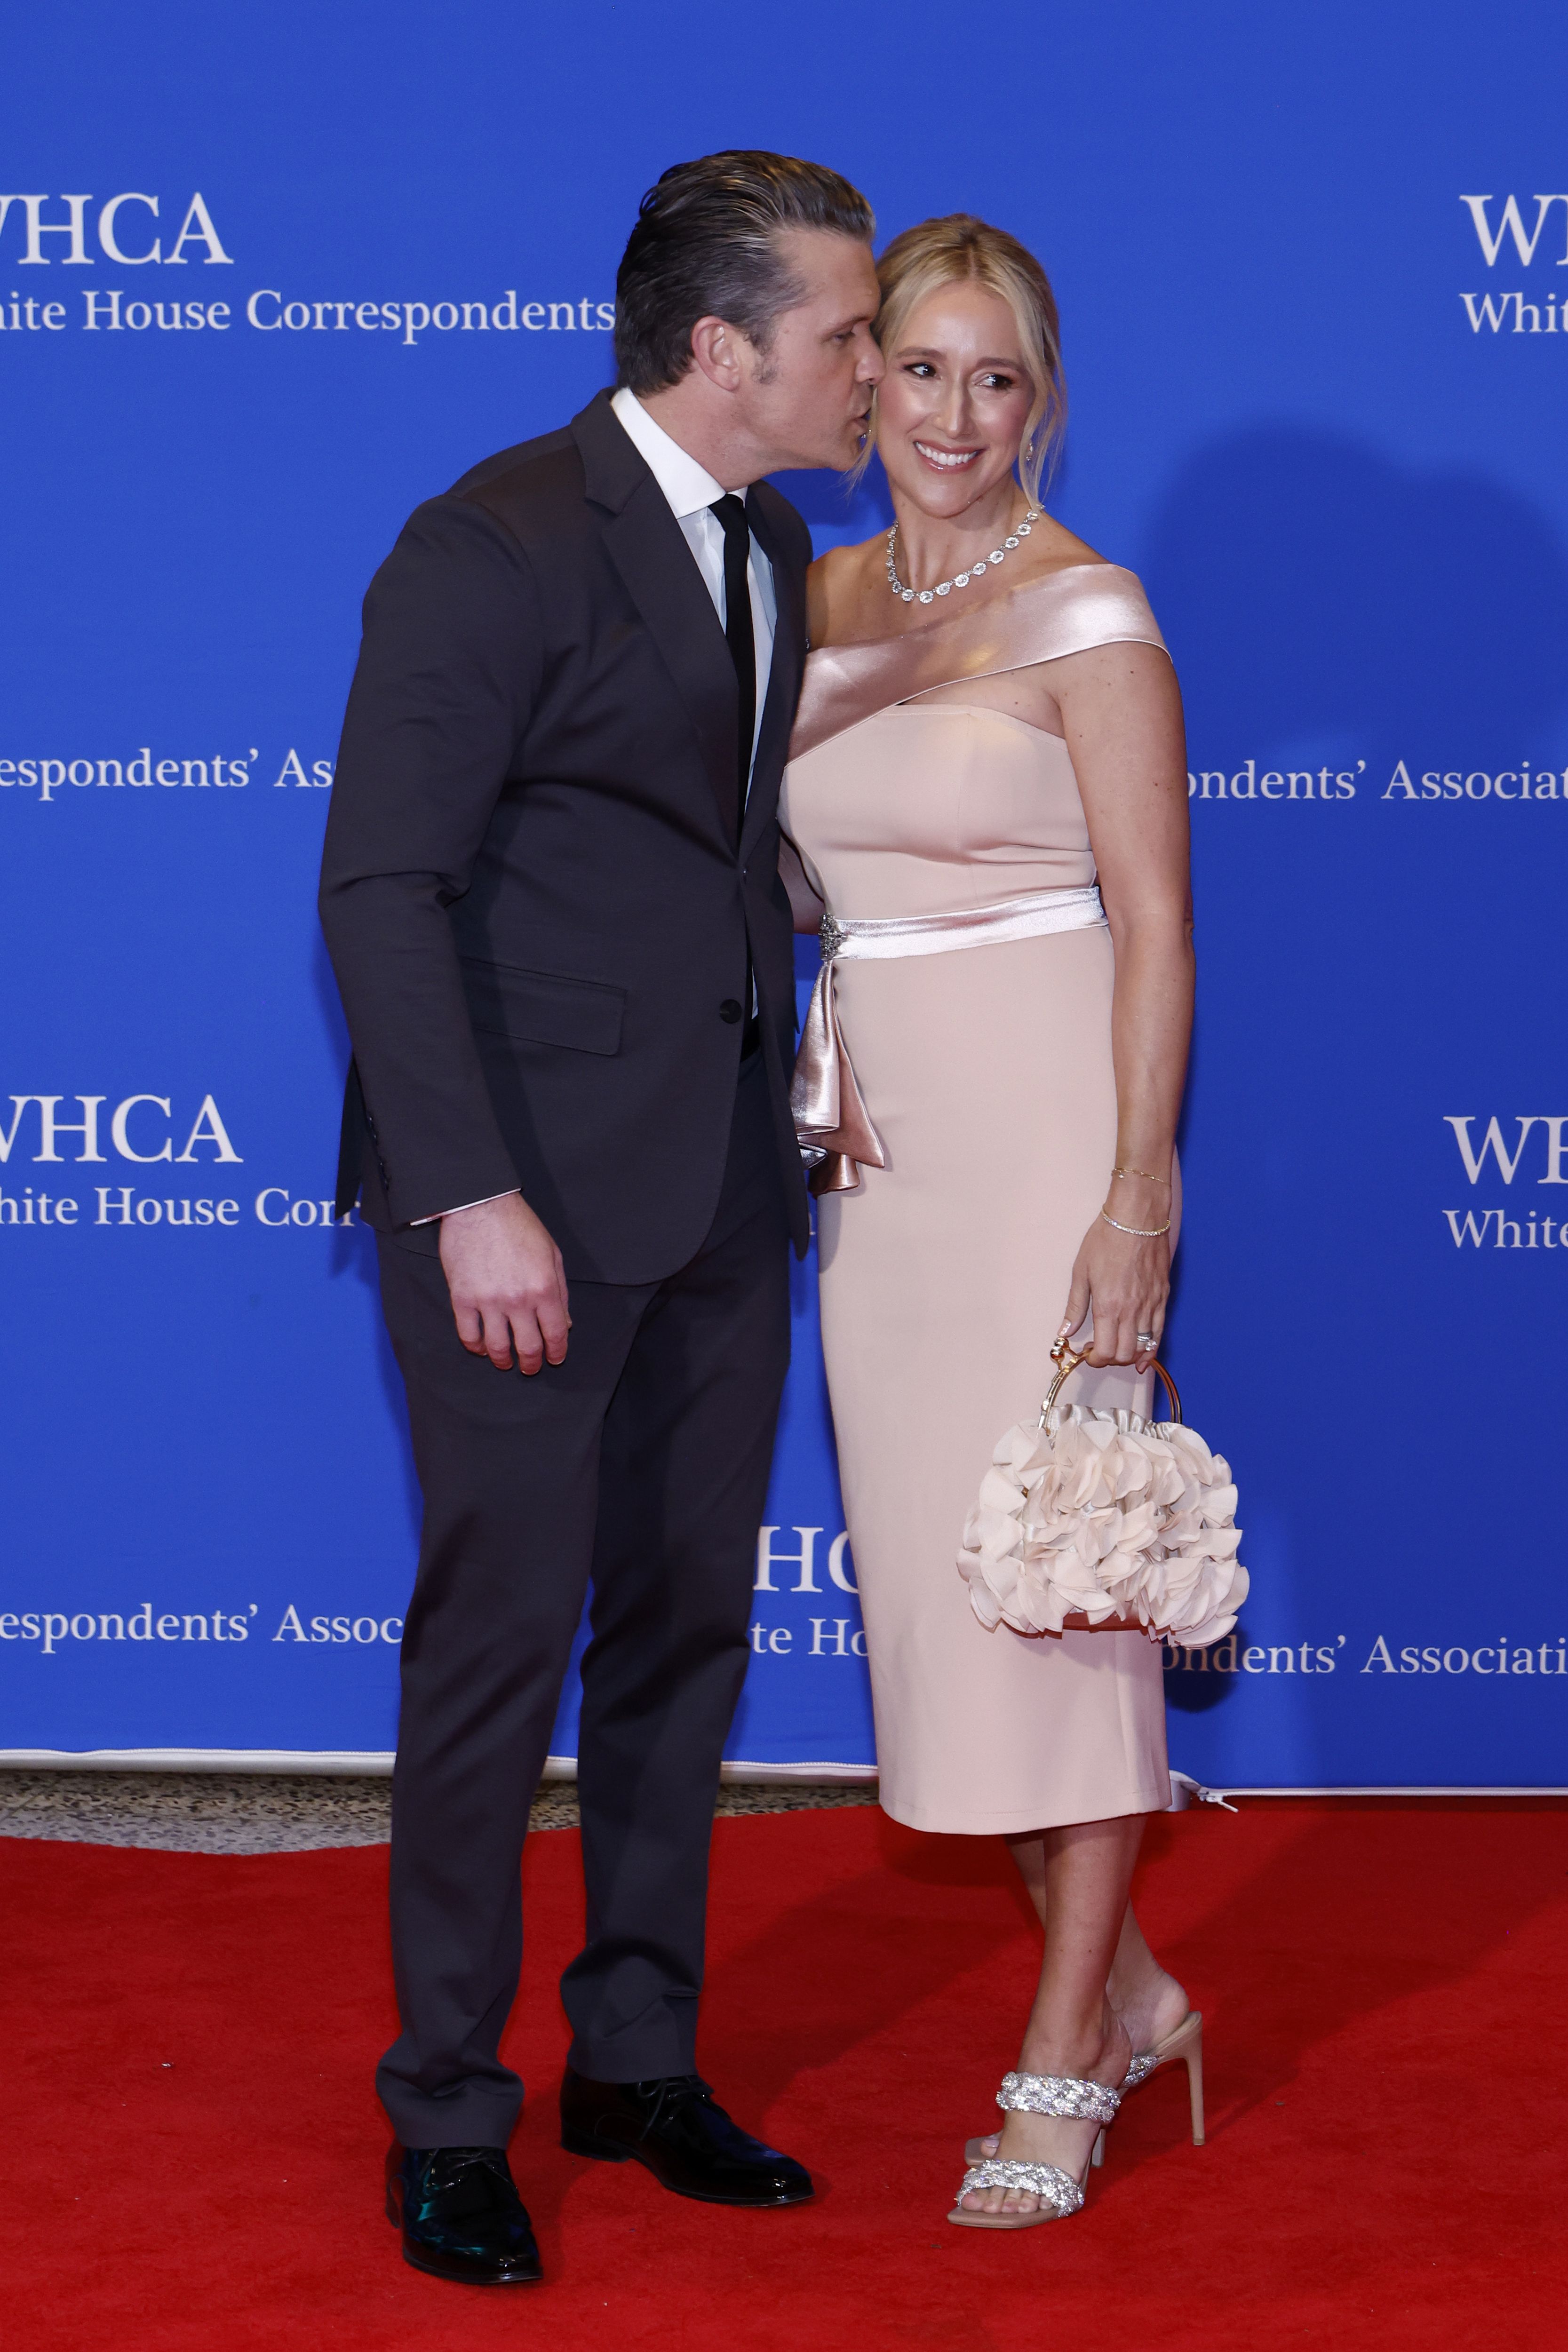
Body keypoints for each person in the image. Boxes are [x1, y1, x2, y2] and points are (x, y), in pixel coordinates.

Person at [319, 151, 883, 2287]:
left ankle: (636, 2055)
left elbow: (704, 850)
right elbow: (381, 888)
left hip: (723, 1182)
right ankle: (445, 2113)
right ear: (723, 347)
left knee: (683, 1637)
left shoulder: (770, 538)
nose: (873, 366)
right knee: (496, 1651)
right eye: (846, 334)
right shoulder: (491, 542)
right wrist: (472, 1195)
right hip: (524, 1196)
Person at [779, 214, 1201, 2230]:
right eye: (923, 372)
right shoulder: (813, 596)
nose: (955, 416)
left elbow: (1157, 925)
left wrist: (1137, 1196)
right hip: (883, 1173)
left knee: (1070, 1596)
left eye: (997, 378)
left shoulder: (1089, 608)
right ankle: (1137, 1986)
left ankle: (1066, 2051)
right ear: (867, 387)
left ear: (1044, 401)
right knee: (962, 1606)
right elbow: (794, 872)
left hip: (1046, 1146)